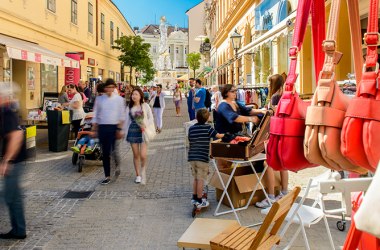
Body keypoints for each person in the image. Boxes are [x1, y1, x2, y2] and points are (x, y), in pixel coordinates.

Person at [255, 74, 289, 209]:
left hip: (276, 133)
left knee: (268, 163)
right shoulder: (288, 94)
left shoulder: (275, 96)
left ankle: (270, 196)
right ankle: (284, 192)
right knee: (282, 164)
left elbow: (273, 116)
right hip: (286, 134)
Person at [214, 84, 266, 168]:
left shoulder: (234, 103)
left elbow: (247, 111)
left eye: (236, 91)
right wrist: (251, 119)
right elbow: (235, 118)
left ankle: (231, 180)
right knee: (224, 166)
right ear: (226, 93)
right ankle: (223, 180)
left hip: (234, 138)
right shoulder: (223, 105)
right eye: (233, 91)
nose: (235, 93)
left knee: (230, 165)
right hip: (223, 140)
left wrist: (261, 111)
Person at [0, 83, 27, 240]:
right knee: (14, 197)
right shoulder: (5, 112)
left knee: (6, 196)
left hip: (14, 161)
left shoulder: (8, 113)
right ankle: (19, 230)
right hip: (15, 160)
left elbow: (16, 137)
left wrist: (7, 161)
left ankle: (19, 229)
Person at [92, 78, 126, 185]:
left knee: (114, 151)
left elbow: (122, 115)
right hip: (103, 128)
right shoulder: (100, 99)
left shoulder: (119, 100)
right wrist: (94, 128)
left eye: (112, 87)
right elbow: (96, 114)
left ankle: (117, 165)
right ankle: (107, 175)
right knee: (105, 153)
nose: (110, 89)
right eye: (108, 87)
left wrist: (120, 129)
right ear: (105, 88)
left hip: (114, 127)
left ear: (114, 88)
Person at [188, 109, 224, 207]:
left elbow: (190, 139)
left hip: (192, 157)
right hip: (202, 157)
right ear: (208, 118)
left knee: (195, 178)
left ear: (196, 118)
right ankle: (200, 200)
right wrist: (226, 135)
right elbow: (218, 135)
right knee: (201, 179)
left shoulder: (191, 129)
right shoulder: (208, 128)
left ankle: (194, 197)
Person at [124, 88, 154, 185]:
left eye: (136, 94)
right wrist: (123, 131)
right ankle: (138, 175)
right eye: (133, 94)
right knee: (136, 155)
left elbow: (150, 117)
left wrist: (145, 125)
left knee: (143, 155)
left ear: (140, 96)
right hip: (132, 131)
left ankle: (143, 170)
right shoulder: (129, 107)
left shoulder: (145, 106)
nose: (134, 96)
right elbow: (126, 121)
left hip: (143, 132)